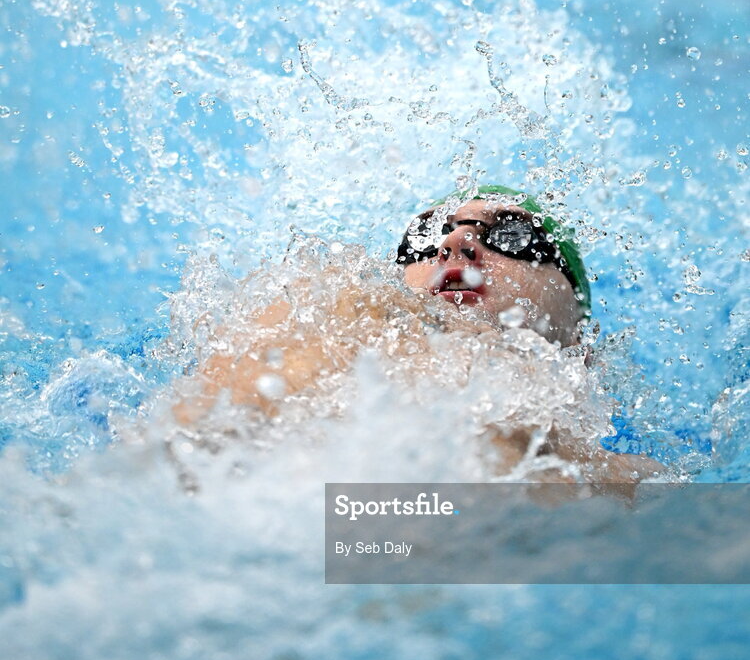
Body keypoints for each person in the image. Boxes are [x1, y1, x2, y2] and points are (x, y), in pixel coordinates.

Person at [171, 184, 664, 486]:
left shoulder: (623, 480)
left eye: (512, 236)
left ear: (582, 349)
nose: (455, 243)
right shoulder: (331, 322)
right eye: (424, 238)